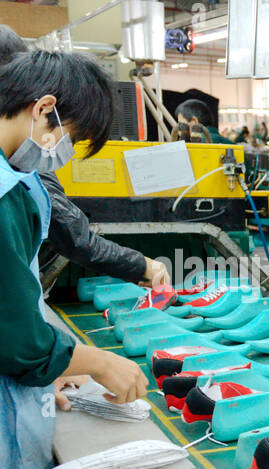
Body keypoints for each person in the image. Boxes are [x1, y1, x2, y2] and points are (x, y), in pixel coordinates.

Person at [0, 49, 148, 469]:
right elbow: (19, 338)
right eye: (69, 138)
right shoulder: (4, 196)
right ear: (43, 109)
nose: (61, 155)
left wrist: (59, 365)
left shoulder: (15, 178)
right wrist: (96, 362)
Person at [0, 27, 167, 289]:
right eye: (74, 139)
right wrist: (139, 266)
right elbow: (69, 231)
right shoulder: (8, 183)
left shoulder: (17, 157)